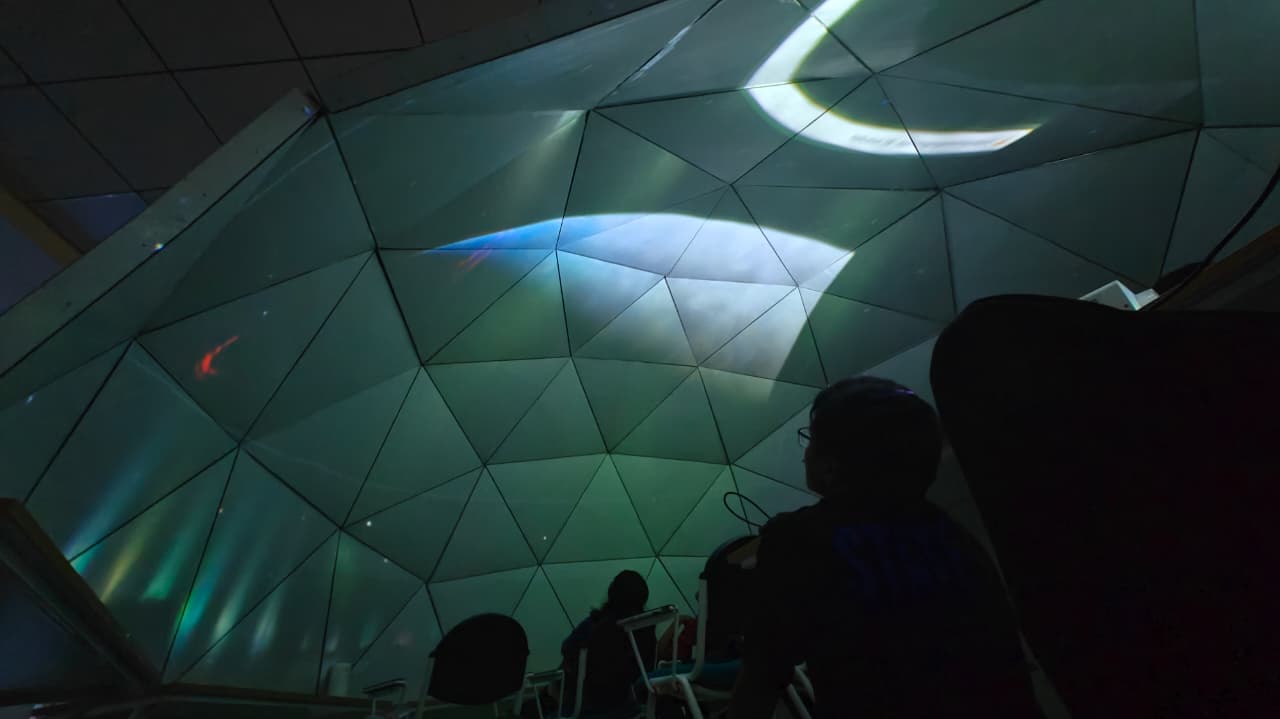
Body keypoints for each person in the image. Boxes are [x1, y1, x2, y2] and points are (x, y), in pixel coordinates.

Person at [728, 376, 1042, 718]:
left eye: (811, 439)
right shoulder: (955, 538)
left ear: (831, 463)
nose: (804, 454)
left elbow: (762, 676)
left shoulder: (797, 539)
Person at [561, 570, 657, 717]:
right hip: (629, 703)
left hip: (589, 704)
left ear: (612, 593)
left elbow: (567, 648)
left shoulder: (595, 625)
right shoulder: (645, 628)